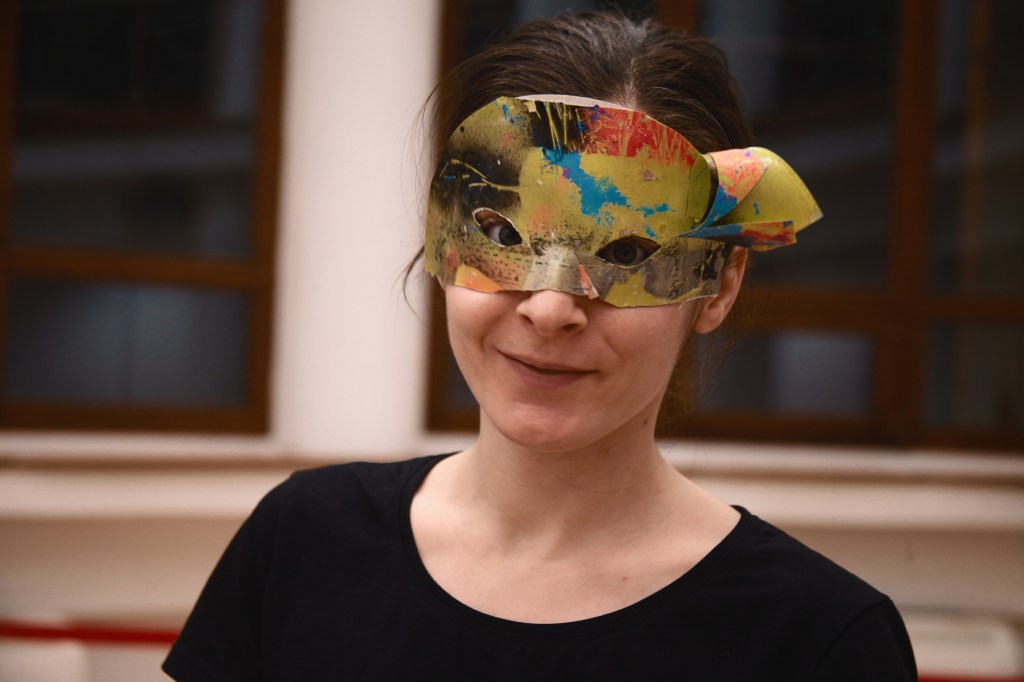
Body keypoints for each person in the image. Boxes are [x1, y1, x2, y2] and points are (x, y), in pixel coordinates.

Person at [163, 11, 916, 681]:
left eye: (626, 253)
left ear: (718, 287)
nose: (551, 309)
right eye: (501, 236)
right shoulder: (302, 542)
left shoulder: (817, 641)